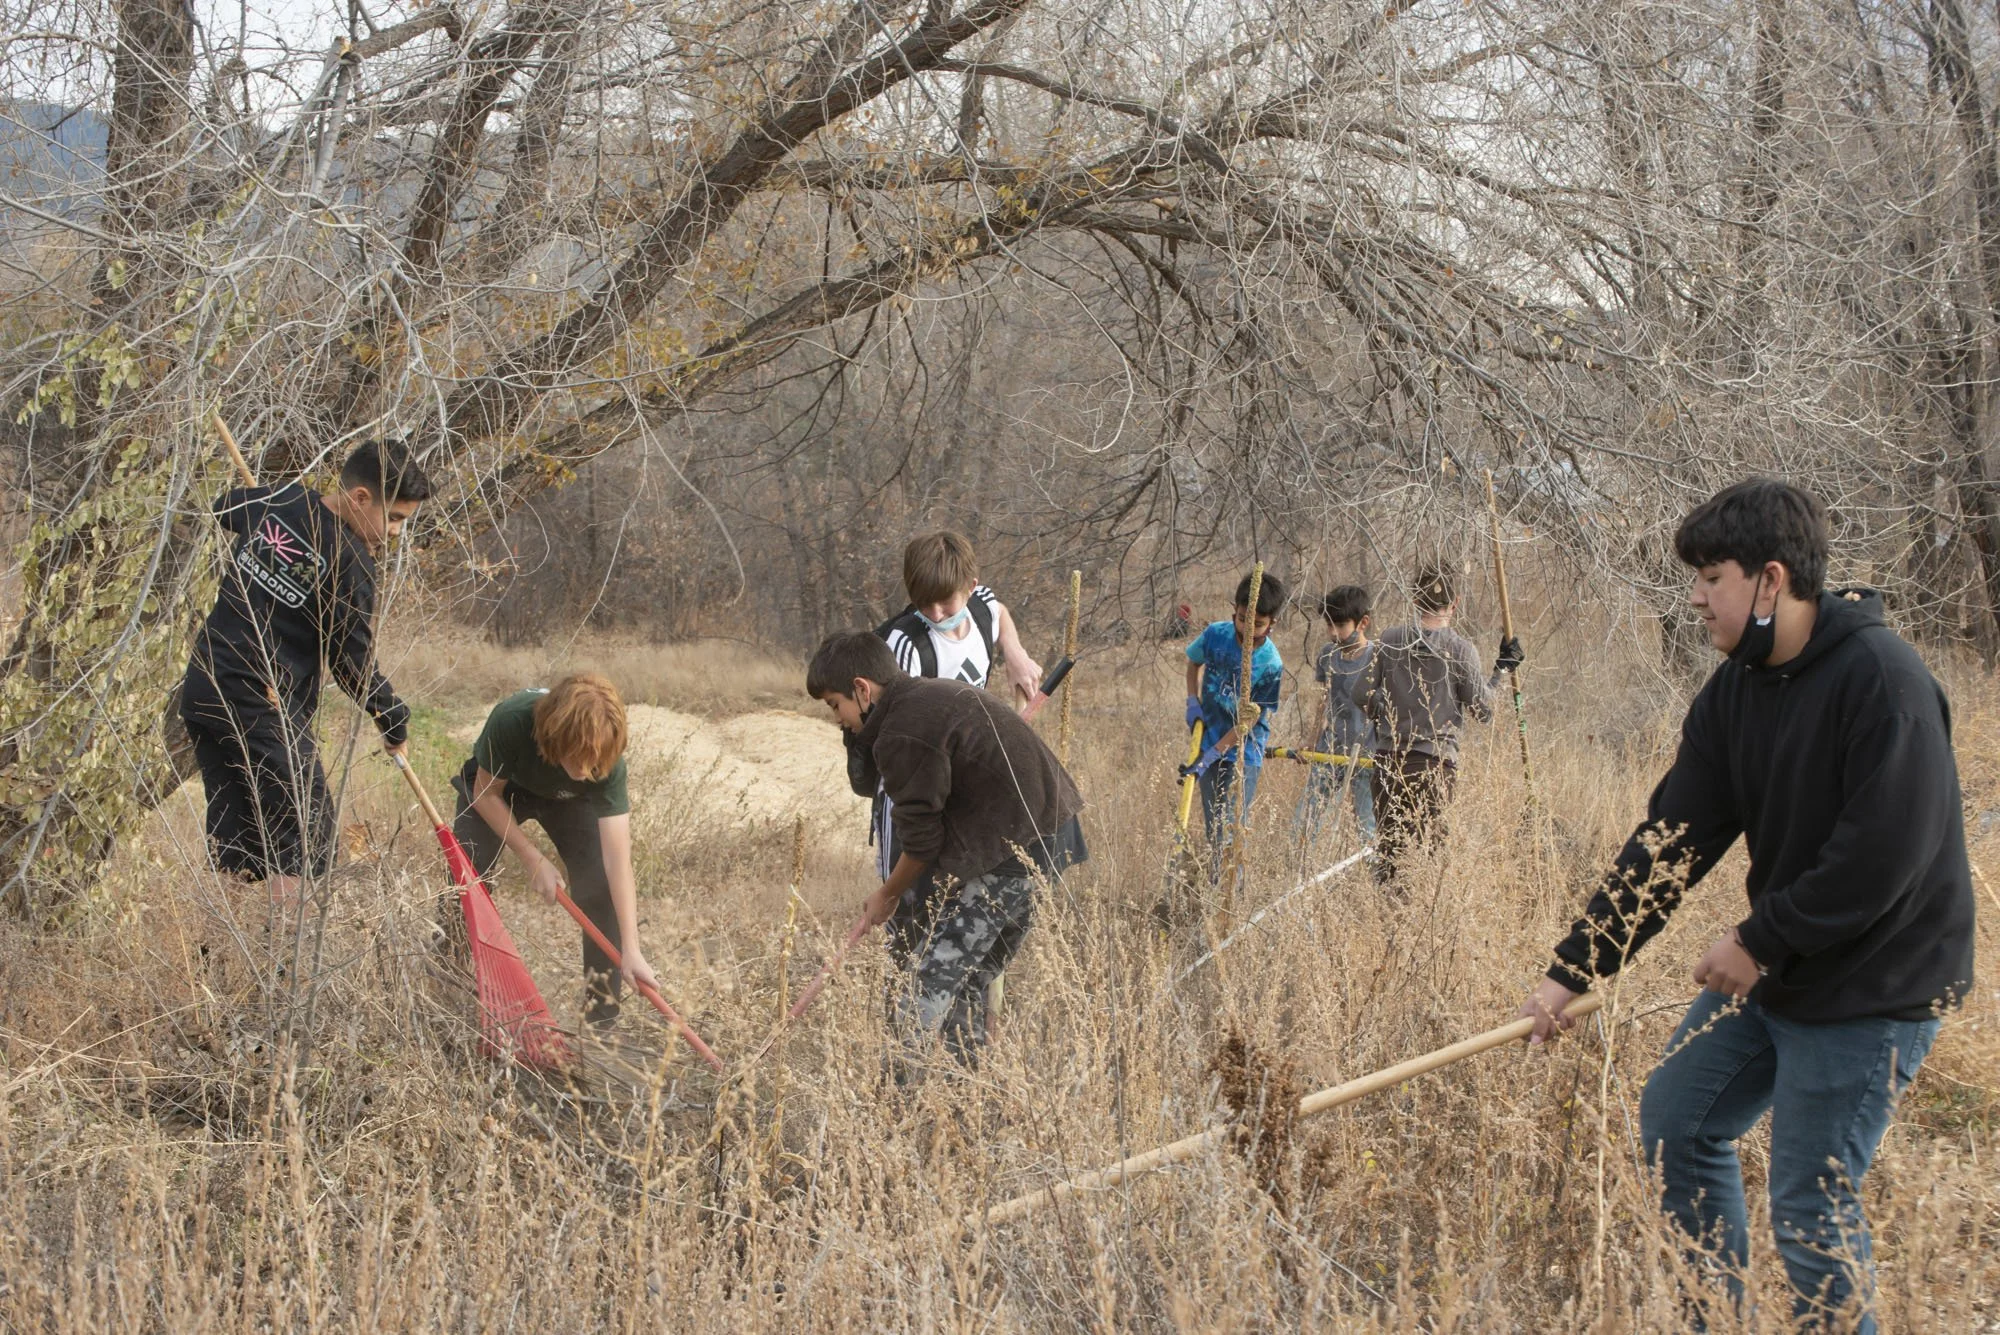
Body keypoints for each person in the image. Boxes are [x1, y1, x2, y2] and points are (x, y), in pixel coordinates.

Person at [1520, 480, 1973, 1335]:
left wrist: (1760, 941)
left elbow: (1884, 854)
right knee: (1679, 1121)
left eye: (1711, 575)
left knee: (1808, 1208)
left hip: (1878, 984)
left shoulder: (1885, 682)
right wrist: (1572, 971)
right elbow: (1670, 841)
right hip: (1789, 970)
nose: (1695, 596)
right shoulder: (1736, 691)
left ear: (1771, 580)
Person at [813, 631, 1085, 1072]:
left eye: (834, 705)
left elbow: (921, 843)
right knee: (968, 981)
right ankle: (967, 1100)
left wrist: (888, 893)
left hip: (1016, 856)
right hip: (1053, 839)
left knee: (924, 986)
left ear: (862, 690)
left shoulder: (901, 732)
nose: (838, 719)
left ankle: (893, 1111)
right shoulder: (923, 698)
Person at [180, 436, 430, 913]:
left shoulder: (282, 499)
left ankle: (212, 966)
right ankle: (285, 977)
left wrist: (275, 530)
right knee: (307, 833)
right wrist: (393, 718)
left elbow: (223, 507)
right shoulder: (351, 564)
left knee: (236, 833)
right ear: (360, 498)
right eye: (394, 518)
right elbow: (352, 664)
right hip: (260, 701)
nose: (396, 532)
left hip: (204, 687)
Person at [450, 674, 659, 1027]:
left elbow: (617, 860)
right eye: (580, 759)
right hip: (500, 790)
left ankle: (601, 1021)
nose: (587, 770)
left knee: (599, 886)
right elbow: (485, 794)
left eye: (596, 763)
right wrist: (533, 858)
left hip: (567, 802)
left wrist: (631, 948)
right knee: (468, 877)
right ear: (555, 736)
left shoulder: (605, 758)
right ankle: (448, 982)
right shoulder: (512, 720)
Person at [1352, 562, 1522, 882]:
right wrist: (1502, 670)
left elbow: (1360, 692)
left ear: (1415, 599)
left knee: (1390, 858)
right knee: (1429, 863)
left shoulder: (1389, 640)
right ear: (1455, 602)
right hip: (1434, 769)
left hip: (1388, 763)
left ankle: (1390, 922)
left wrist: (1385, 713)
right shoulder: (1461, 650)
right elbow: (1483, 711)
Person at [1181, 572, 1286, 857]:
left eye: (1258, 625)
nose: (1247, 630)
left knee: (1231, 830)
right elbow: (1193, 663)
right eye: (1242, 619)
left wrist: (1214, 753)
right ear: (1235, 612)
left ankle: (1232, 893)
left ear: (1272, 623)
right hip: (1208, 738)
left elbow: (1248, 721)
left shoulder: (1271, 664)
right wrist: (1193, 702)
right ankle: (1214, 889)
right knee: (1214, 829)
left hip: (1244, 750)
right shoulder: (1216, 634)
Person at [1294, 585, 1377, 854]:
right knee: (1303, 823)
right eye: (1329, 625)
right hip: (1330, 750)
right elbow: (1323, 701)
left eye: (1340, 625)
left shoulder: (1378, 657)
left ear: (1363, 622)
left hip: (1368, 754)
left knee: (1367, 829)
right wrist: (1311, 741)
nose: (1333, 633)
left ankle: (1375, 885)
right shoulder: (1328, 655)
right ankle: (1298, 873)